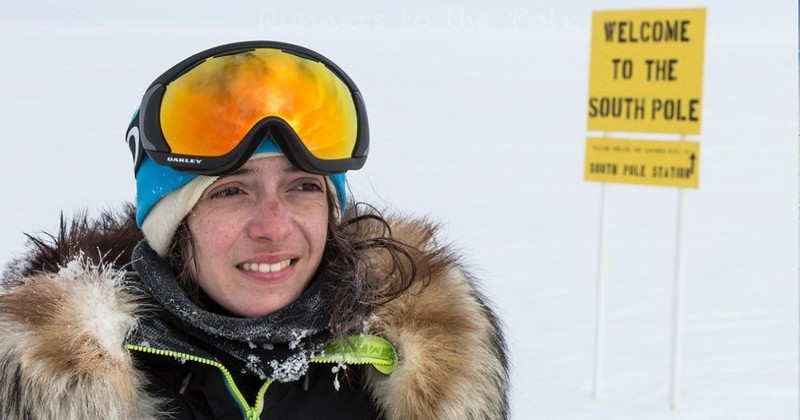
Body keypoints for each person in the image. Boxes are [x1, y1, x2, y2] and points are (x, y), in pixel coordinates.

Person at [0, 41, 509, 419]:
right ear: (174, 226)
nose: (273, 227)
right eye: (230, 192)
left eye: (303, 188)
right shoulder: (60, 387)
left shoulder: (420, 374)